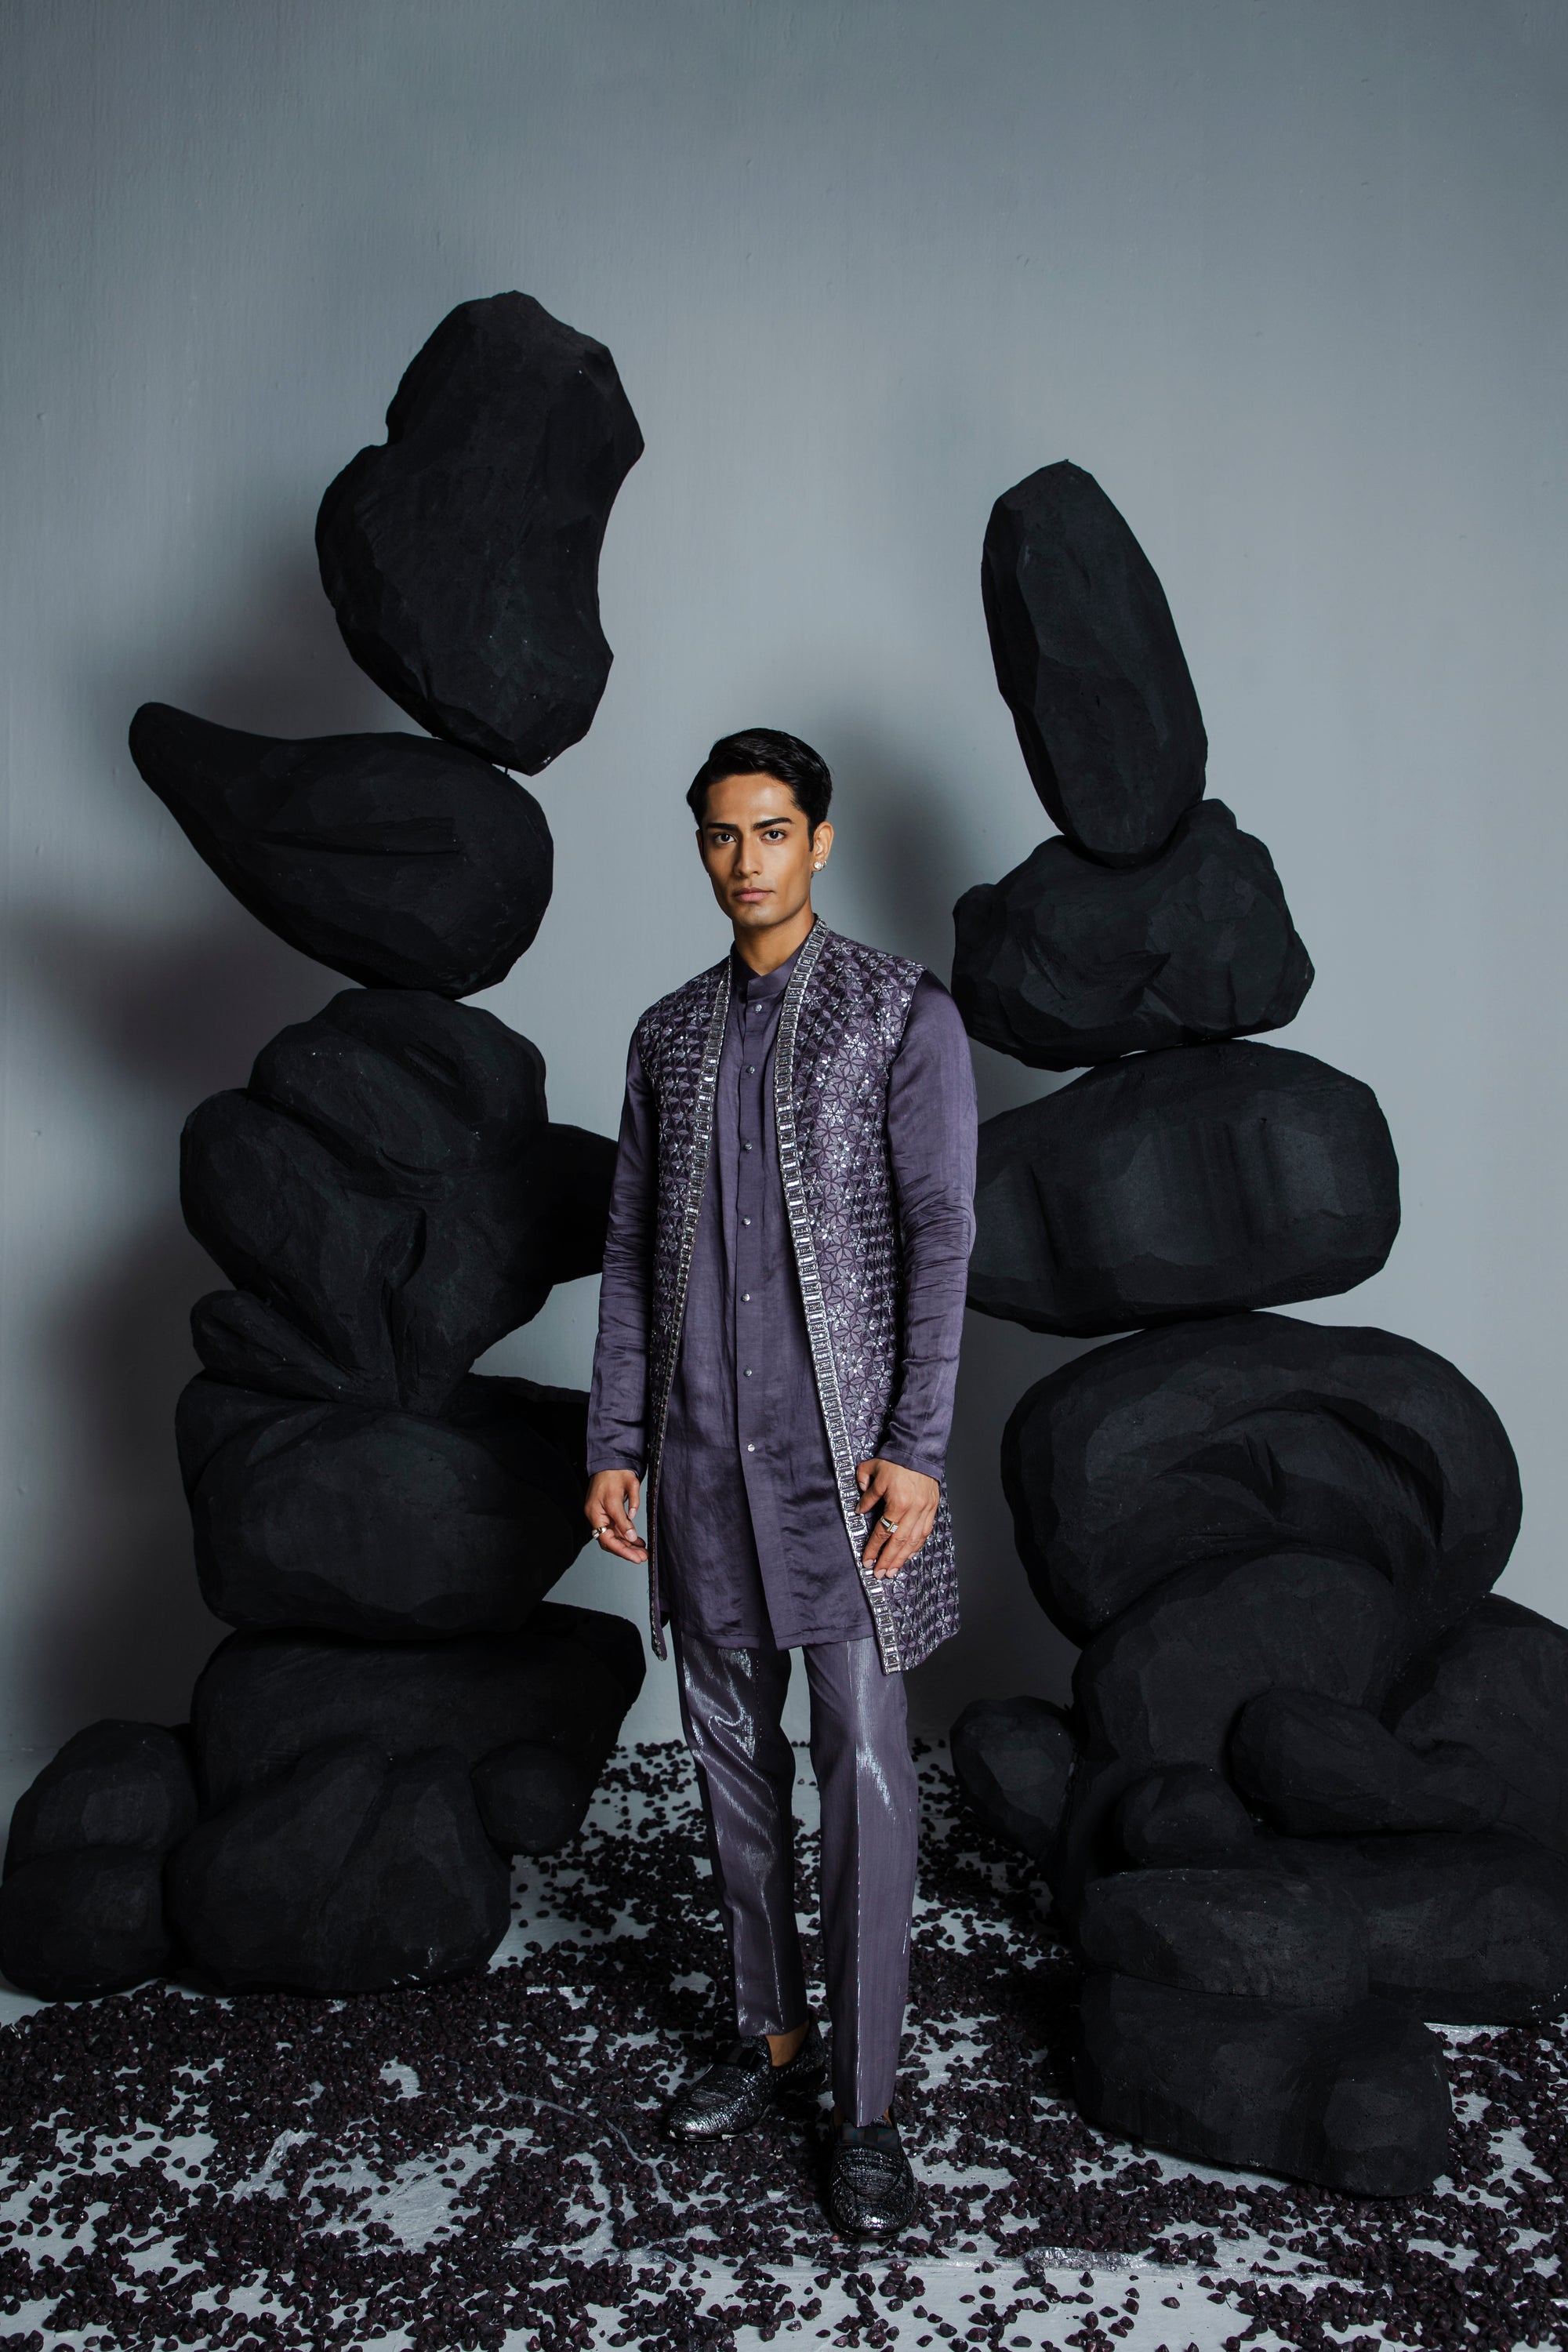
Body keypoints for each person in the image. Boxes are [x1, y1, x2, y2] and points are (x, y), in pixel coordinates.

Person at [583, 728, 977, 2238]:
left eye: (769, 831)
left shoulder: (899, 1013)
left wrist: (918, 1448)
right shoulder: (668, 1034)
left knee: (864, 1772)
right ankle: (772, 2038)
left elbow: (941, 1236)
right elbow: (631, 1253)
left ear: (820, 840)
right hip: (695, 1464)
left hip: (845, 1475)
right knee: (728, 1766)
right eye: (718, 834)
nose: (743, 860)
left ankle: (865, 2111)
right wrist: (614, 1441)